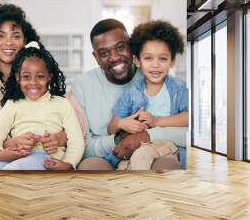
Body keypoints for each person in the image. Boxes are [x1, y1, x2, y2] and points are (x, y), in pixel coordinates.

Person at [71, 18, 187, 170]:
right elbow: (82, 145)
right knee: (90, 168)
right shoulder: (84, 85)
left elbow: (189, 130)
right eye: (104, 53)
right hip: (113, 155)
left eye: (120, 47)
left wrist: (147, 135)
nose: (114, 57)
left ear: (131, 47)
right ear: (96, 58)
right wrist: (121, 138)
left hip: (159, 149)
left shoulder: (171, 85)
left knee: (167, 168)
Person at [0, 4, 67, 169]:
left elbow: (78, 127)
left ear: (25, 41)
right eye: (0, 36)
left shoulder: (42, 82)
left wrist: (59, 138)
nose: (8, 42)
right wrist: (10, 144)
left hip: (44, 159)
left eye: (15, 36)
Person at [0, 42, 84, 170]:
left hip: (47, 158)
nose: (33, 83)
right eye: (26, 77)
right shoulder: (12, 104)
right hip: (17, 156)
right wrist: (0, 154)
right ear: (17, 77)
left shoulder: (62, 104)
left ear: (49, 77)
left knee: (13, 170)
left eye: (40, 77)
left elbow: (76, 140)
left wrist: (69, 163)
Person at [105, 20, 188, 170]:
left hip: (166, 146)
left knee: (141, 157)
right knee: (124, 164)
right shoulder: (131, 92)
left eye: (162, 58)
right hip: (135, 146)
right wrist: (122, 124)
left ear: (172, 61)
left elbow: (189, 117)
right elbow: (111, 127)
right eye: (148, 58)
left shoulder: (179, 88)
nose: (155, 64)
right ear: (137, 61)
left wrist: (156, 121)